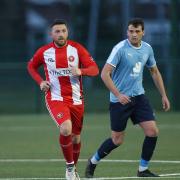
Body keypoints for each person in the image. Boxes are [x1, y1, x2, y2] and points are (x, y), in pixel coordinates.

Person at [85, 18, 170, 178]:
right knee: (117, 140)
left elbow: (154, 72)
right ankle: (93, 161)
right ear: (127, 32)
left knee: (152, 131)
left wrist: (164, 95)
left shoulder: (147, 48)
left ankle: (142, 170)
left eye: (137, 31)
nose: (134, 34)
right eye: (131, 31)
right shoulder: (120, 49)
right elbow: (104, 74)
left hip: (139, 97)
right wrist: (118, 94)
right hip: (119, 101)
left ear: (143, 32)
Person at [27, 19, 99, 180]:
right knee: (66, 129)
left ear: (68, 32)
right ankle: (69, 168)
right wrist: (41, 82)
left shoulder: (77, 49)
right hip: (55, 98)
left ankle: (73, 170)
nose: (60, 34)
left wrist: (81, 71)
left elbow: (94, 69)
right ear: (51, 34)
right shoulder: (44, 52)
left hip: (76, 100)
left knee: (76, 137)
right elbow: (31, 66)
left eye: (63, 31)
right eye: (57, 31)